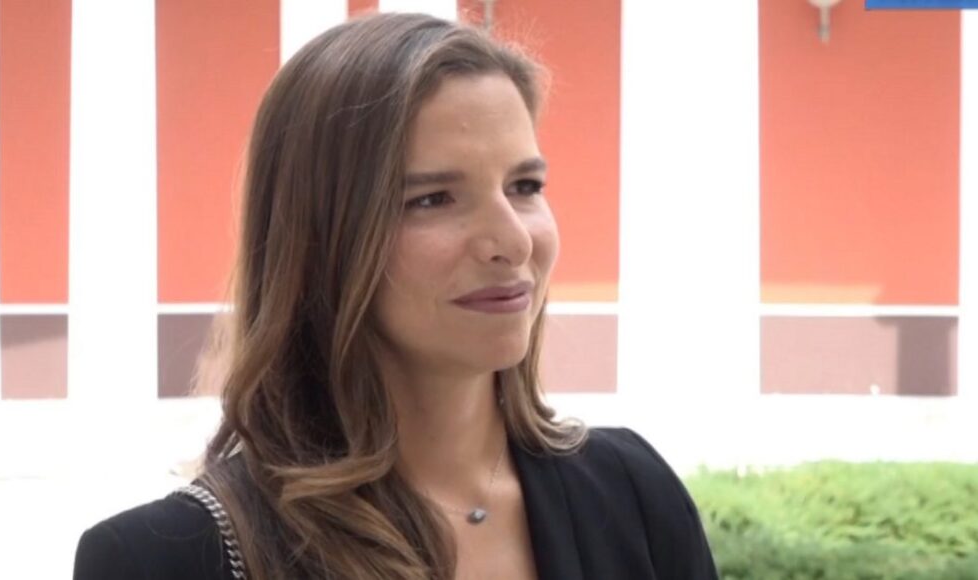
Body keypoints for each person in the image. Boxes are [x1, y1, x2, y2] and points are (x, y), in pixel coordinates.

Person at [73, 12, 718, 580]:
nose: (513, 241)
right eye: (433, 199)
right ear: (320, 238)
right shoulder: (164, 560)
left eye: (524, 186)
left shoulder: (634, 496)